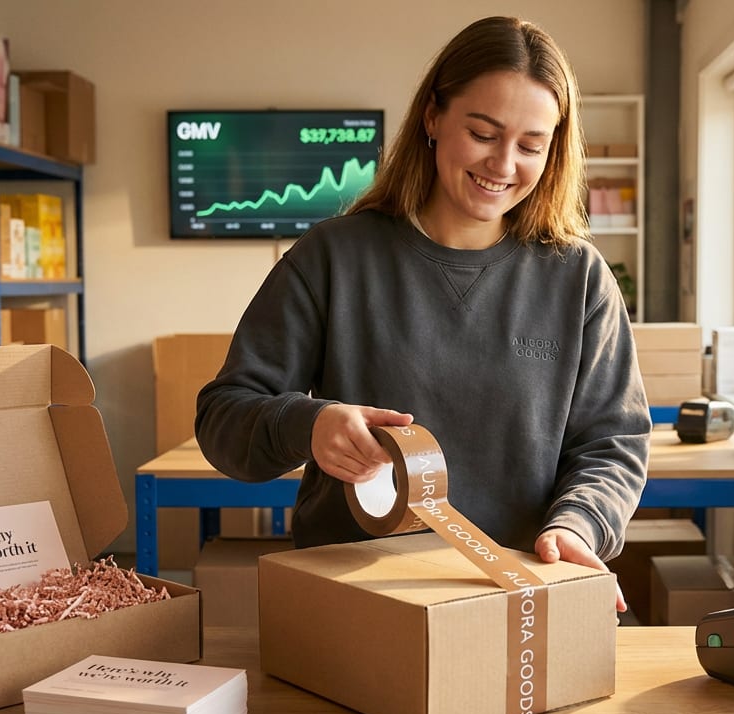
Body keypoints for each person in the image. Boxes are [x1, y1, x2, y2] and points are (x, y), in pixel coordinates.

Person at [195, 15, 650, 611]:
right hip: (356, 603)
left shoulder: (579, 278)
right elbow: (223, 420)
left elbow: (612, 444)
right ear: (433, 117)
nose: (504, 164)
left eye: (532, 145)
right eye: (483, 133)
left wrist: (579, 524)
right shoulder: (333, 258)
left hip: (516, 602)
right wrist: (308, 424)